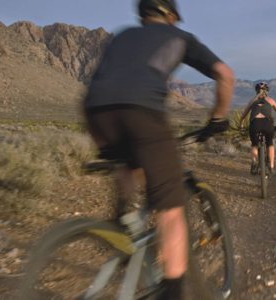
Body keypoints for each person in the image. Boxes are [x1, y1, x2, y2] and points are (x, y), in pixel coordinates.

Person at [83, 0, 235, 298]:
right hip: (141, 112)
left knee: (127, 161)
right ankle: (172, 291)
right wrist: (217, 118)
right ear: (170, 15)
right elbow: (225, 75)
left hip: (94, 111)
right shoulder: (179, 37)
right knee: (170, 207)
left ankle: (123, 225)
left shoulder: (122, 36)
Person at [239, 82, 276, 174]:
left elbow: (243, 115)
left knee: (254, 144)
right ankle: (272, 166)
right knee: (270, 144)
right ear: (267, 91)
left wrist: (240, 125)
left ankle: (253, 163)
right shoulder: (271, 100)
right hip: (267, 124)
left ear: (256, 91)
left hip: (255, 124)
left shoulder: (252, 101)